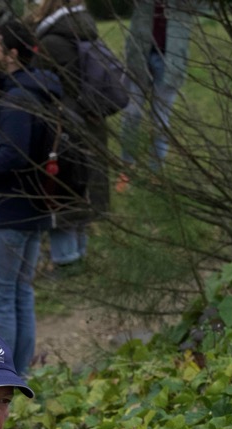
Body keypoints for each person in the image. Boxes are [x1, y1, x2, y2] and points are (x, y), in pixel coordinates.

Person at [0, 21, 63, 377]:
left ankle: (0, 381)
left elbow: (13, 155)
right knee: (20, 295)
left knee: (2, 302)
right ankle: (16, 380)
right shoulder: (34, 92)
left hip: (8, 212)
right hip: (28, 210)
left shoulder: (18, 99)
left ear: (12, 54)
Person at [30, 0, 109, 272]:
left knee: (60, 192)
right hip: (89, 122)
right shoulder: (85, 31)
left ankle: (67, 261)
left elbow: (39, 86)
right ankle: (80, 253)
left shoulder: (51, 42)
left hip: (62, 128)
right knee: (82, 189)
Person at [120, 0, 196, 181]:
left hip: (171, 59)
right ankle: (126, 169)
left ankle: (155, 174)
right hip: (139, 54)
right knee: (131, 114)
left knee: (160, 120)